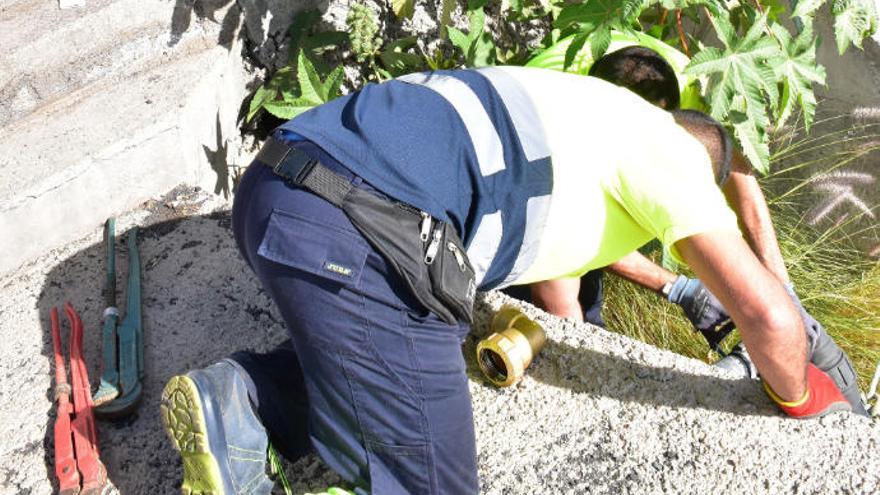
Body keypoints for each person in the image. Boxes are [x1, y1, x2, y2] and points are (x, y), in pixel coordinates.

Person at [161, 66, 853, 495]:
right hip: (354, 234)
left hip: (275, 190)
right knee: (432, 478)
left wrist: (665, 296)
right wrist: (802, 395)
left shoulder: (591, 111)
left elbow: (559, 277)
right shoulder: (673, 157)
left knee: (401, 353)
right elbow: (769, 317)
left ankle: (246, 398)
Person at [507, 45, 867, 415]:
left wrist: (781, 288)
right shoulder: (561, 136)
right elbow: (565, 270)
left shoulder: (694, 77)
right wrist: (677, 288)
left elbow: (739, 176)